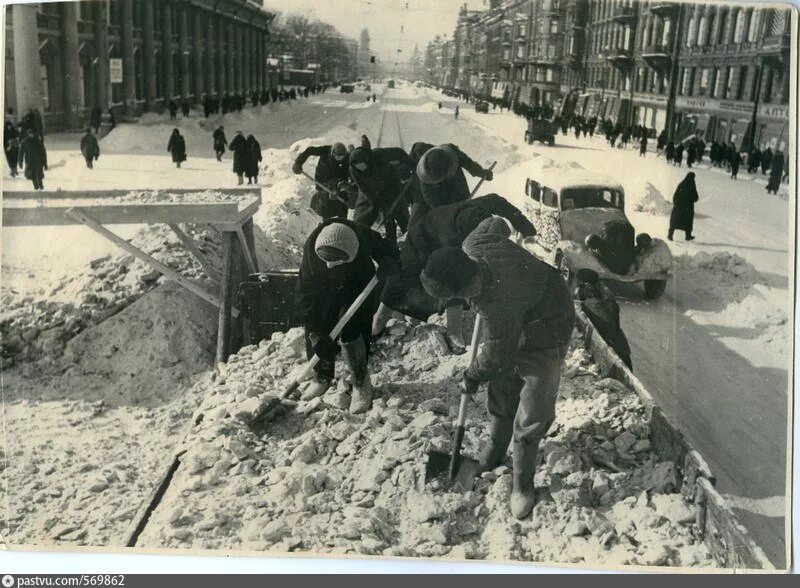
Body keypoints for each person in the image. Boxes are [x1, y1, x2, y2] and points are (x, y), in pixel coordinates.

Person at [420, 217, 575, 519]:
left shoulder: (496, 303)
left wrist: (472, 374)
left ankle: (522, 485)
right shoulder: (472, 244)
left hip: (550, 319)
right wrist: (507, 234)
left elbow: (498, 354)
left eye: (458, 297)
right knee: (503, 384)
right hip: (519, 306)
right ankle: (495, 447)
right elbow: (495, 223)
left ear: (467, 288)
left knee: (532, 404)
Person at [373, 194, 537, 353]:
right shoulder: (457, 239)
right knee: (408, 279)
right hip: (421, 242)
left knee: (447, 283)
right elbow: (455, 283)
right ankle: (379, 324)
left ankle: (412, 319)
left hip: (439, 228)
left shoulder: (480, 212)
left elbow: (496, 199)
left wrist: (517, 218)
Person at [294, 220, 399, 414]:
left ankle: (361, 384)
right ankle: (321, 377)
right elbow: (306, 297)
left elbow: (387, 250)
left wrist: (389, 260)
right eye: (324, 258)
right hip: (323, 285)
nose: (328, 263)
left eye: (335, 260)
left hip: (356, 282)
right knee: (317, 327)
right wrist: (317, 335)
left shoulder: (362, 236)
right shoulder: (312, 251)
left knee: (352, 329)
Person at [348, 146, 406, 248]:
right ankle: (359, 238)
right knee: (362, 218)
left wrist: (411, 164)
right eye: (358, 166)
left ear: (367, 160)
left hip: (391, 182)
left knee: (393, 211)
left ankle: (393, 242)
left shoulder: (378, 155)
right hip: (371, 189)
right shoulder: (353, 169)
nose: (361, 168)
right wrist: (376, 202)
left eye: (362, 164)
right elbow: (364, 188)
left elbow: (398, 152)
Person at [574, 269, 632, 370]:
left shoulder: (594, 304)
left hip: (613, 350)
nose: (578, 289)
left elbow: (604, 327)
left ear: (587, 286)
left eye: (580, 286)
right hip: (620, 345)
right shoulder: (602, 291)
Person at [416, 144, 493, 219]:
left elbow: (467, 162)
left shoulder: (452, 151)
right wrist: (444, 213)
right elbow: (432, 201)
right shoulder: (425, 178)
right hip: (444, 196)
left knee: (467, 207)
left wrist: (480, 172)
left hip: (459, 184)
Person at [293, 142, 351, 220]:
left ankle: (343, 223)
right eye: (338, 157)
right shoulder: (325, 150)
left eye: (342, 157)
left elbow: (345, 174)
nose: (340, 159)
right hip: (322, 182)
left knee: (342, 204)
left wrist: (338, 186)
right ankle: (326, 224)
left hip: (338, 183)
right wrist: (298, 163)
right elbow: (309, 150)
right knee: (325, 206)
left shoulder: (346, 158)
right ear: (333, 153)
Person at [668, 172, 699, 241]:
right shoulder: (692, 185)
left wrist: (676, 203)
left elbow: (675, 195)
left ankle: (670, 235)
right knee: (687, 222)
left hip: (678, 207)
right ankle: (688, 236)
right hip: (688, 208)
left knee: (675, 221)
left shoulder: (681, 184)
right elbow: (695, 198)